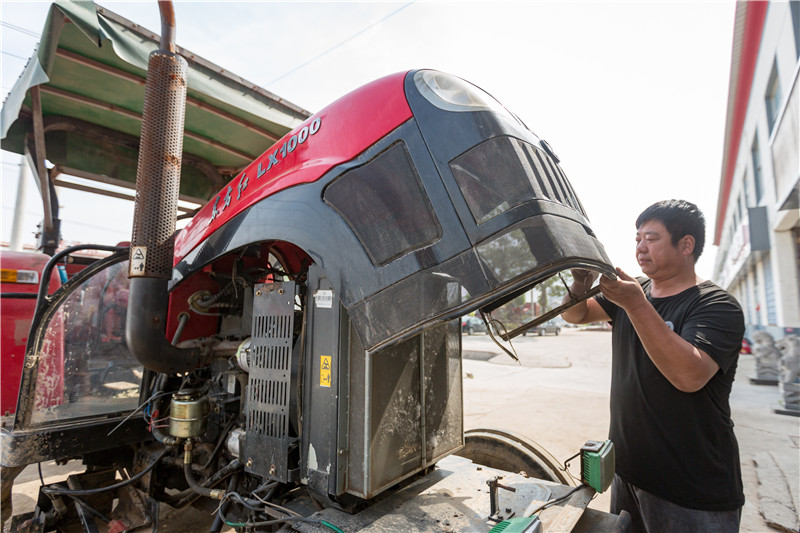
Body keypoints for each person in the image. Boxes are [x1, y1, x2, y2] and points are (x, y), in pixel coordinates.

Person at [561, 199, 745, 533]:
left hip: (691, 490)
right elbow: (577, 314)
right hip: (628, 472)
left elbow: (688, 376)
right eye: (637, 240)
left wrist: (634, 304)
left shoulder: (716, 305)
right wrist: (579, 283)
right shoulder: (636, 292)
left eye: (651, 238)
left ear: (686, 244)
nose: (640, 248)